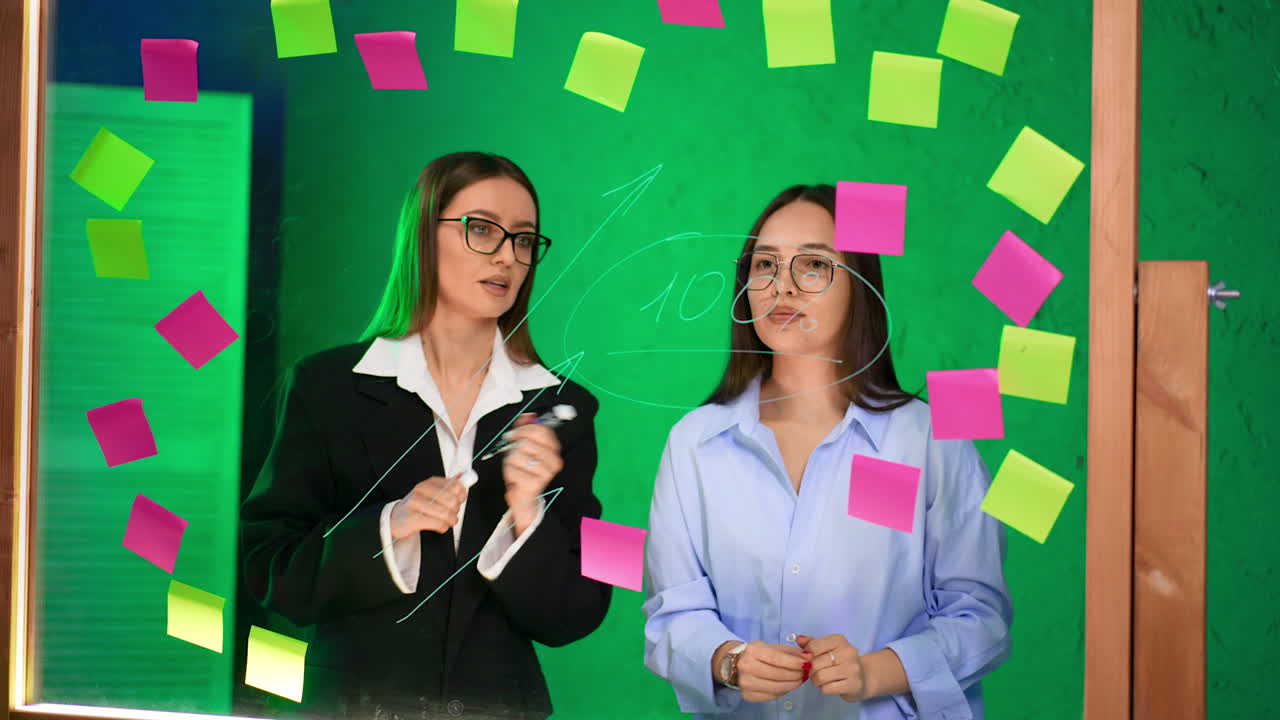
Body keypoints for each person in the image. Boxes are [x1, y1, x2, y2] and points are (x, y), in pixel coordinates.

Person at [241, 152, 612, 720]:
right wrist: (392, 526)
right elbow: (266, 566)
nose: (508, 257)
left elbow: (583, 610)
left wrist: (527, 515)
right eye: (482, 230)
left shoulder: (567, 409)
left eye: (524, 239)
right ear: (423, 234)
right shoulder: (324, 388)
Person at [642, 184, 1013, 719]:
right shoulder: (695, 445)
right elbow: (670, 615)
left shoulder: (929, 439)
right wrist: (728, 660)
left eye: (813, 265)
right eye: (764, 265)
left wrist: (876, 670)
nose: (781, 287)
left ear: (861, 286)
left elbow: (981, 616)